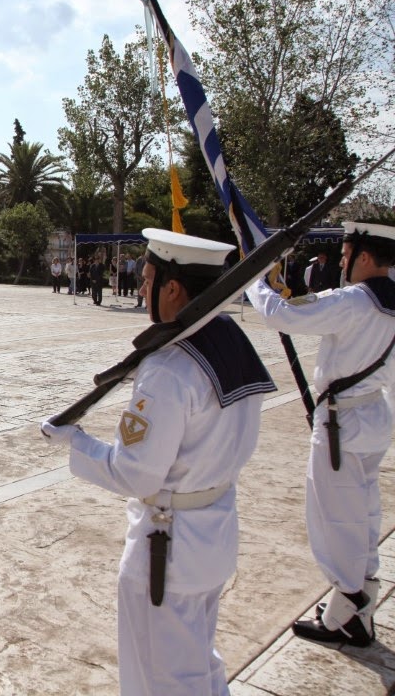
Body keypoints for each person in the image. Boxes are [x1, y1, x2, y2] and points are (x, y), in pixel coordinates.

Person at [40, 228, 276, 695]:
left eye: (149, 279)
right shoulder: (230, 339)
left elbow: (134, 472)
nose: (141, 288)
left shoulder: (168, 368)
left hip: (168, 545)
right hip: (214, 529)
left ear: (174, 288)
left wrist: (75, 442)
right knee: (197, 662)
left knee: (161, 677)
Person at [246, 221, 395, 647]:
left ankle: (347, 612)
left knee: (332, 520)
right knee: (363, 515)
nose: (343, 262)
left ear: (366, 257)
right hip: (373, 421)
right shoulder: (389, 305)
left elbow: (284, 316)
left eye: (349, 255)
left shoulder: (354, 302)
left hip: (341, 428)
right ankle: (355, 606)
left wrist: (255, 281)